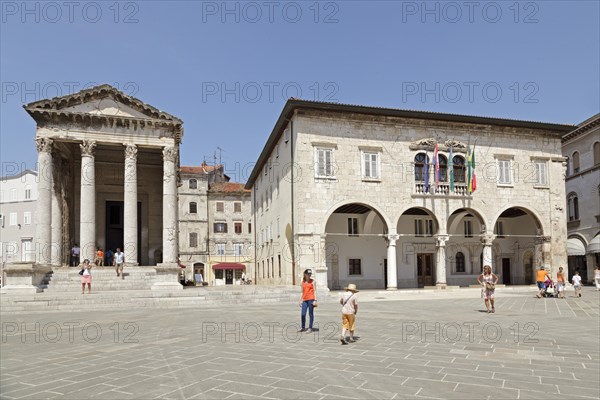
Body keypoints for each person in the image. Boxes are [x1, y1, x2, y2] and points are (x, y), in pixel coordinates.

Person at [298, 269, 317, 333]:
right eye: (308, 274)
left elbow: (314, 291)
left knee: (310, 314)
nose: (309, 275)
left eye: (310, 274)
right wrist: (300, 300)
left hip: (311, 299)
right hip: (305, 300)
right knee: (303, 314)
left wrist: (315, 300)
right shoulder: (302, 282)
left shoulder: (313, 281)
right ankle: (303, 327)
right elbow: (301, 292)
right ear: (305, 274)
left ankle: (310, 328)